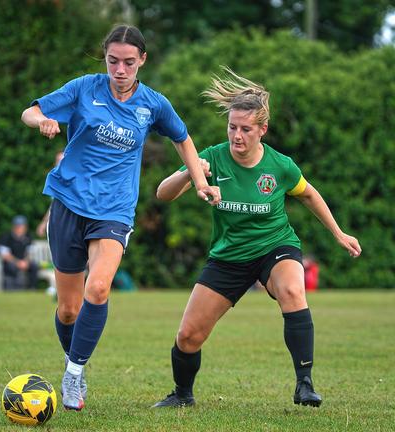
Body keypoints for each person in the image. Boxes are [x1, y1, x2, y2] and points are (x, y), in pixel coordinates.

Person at [21, 25, 220, 411]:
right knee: (69, 309)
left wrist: (199, 182)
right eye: (113, 61)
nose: (120, 70)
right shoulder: (84, 88)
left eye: (129, 62)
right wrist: (41, 121)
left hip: (113, 210)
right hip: (68, 202)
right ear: (105, 58)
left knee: (98, 288)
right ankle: (73, 358)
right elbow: (31, 110)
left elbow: (182, 138)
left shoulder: (153, 104)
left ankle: (74, 373)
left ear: (142, 60)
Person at [152, 67, 362, 409]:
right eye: (232, 127)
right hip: (228, 257)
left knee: (292, 290)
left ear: (262, 130)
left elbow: (309, 194)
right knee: (188, 336)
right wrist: (193, 175)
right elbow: (163, 193)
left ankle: (304, 384)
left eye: (246, 129)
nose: (237, 136)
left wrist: (338, 233)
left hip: (274, 247)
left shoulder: (280, 166)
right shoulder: (212, 157)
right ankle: (182, 395)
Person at [0, 215, 39, 290]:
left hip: (24, 261)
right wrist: (17, 262)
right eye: (18, 226)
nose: (20, 228)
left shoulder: (28, 237)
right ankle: (14, 289)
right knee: (11, 267)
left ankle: (32, 288)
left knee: (34, 266)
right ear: (14, 227)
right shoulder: (6, 237)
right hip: (11, 262)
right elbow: (5, 254)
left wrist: (26, 261)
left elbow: (30, 252)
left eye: (22, 226)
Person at [36, 150, 64, 238]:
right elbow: (53, 204)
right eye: (58, 161)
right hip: (60, 224)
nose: (59, 164)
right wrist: (44, 223)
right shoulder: (56, 182)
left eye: (62, 161)